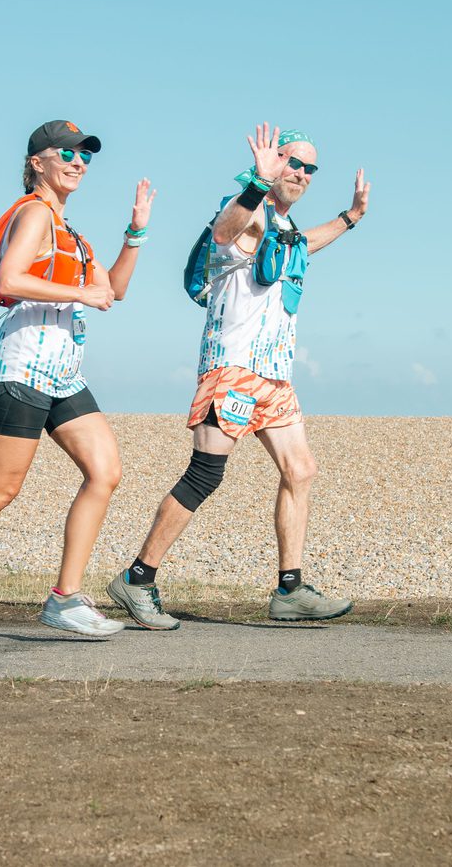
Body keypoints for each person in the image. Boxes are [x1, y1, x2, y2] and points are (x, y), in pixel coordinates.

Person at [0, 119, 156, 643]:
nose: (78, 162)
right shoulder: (36, 213)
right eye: (67, 153)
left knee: (104, 472)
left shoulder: (71, 230)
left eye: (85, 155)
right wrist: (80, 296)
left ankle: (64, 600)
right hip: (22, 365)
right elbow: (8, 280)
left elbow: (115, 290)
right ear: (37, 162)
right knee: (2, 487)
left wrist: (136, 233)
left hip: (63, 372)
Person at [106, 122, 369, 629]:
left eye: (311, 168)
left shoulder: (285, 228)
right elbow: (224, 232)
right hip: (233, 368)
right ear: (273, 163)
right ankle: (137, 579)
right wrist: (255, 181)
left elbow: (306, 243)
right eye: (294, 162)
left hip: (273, 374)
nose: (302, 174)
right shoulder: (247, 212)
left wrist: (351, 217)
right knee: (205, 475)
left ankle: (289, 590)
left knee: (301, 471)